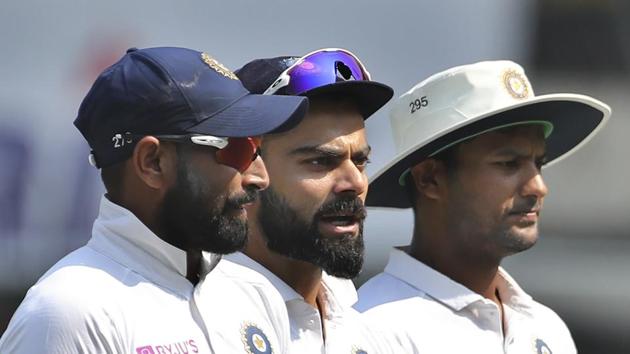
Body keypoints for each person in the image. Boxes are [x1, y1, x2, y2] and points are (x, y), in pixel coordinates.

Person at [0, 46, 308, 353]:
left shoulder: (257, 294)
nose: (260, 176)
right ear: (153, 162)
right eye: (237, 148)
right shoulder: (67, 314)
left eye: (258, 147)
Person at [354, 60, 611, 353]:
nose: (538, 187)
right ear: (430, 178)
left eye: (538, 163)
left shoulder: (546, 327)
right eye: (508, 164)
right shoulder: (371, 330)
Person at [213, 48, 399, 353]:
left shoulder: (356, 316)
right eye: (321, 162)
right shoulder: (199, 316)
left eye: (360, 162)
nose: (354, 183)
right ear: (247, 170)